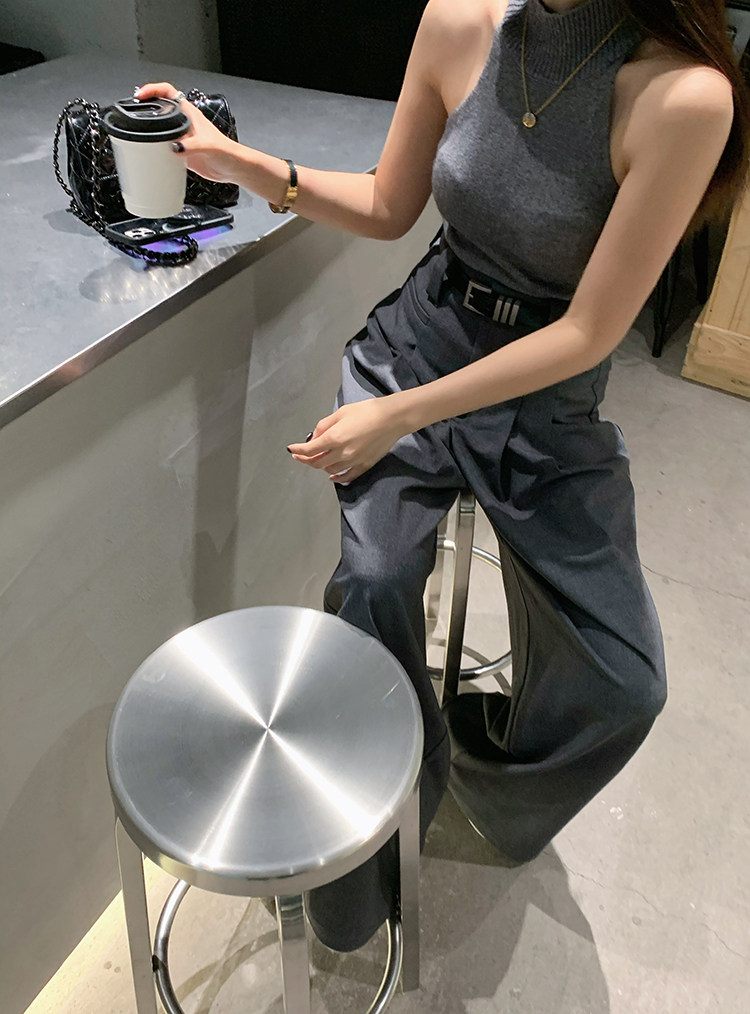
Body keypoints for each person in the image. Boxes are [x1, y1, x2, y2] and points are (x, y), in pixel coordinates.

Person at [136, 0, 748, 954]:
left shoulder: (683, 94)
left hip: (545, 398)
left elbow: (587, 333)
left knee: (623, 682)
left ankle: (465, 769)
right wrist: (246, 166)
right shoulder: (459, 20)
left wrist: (401, 417)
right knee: (373, 588)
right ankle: (362, 868)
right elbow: (391, 206)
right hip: (420, 343)